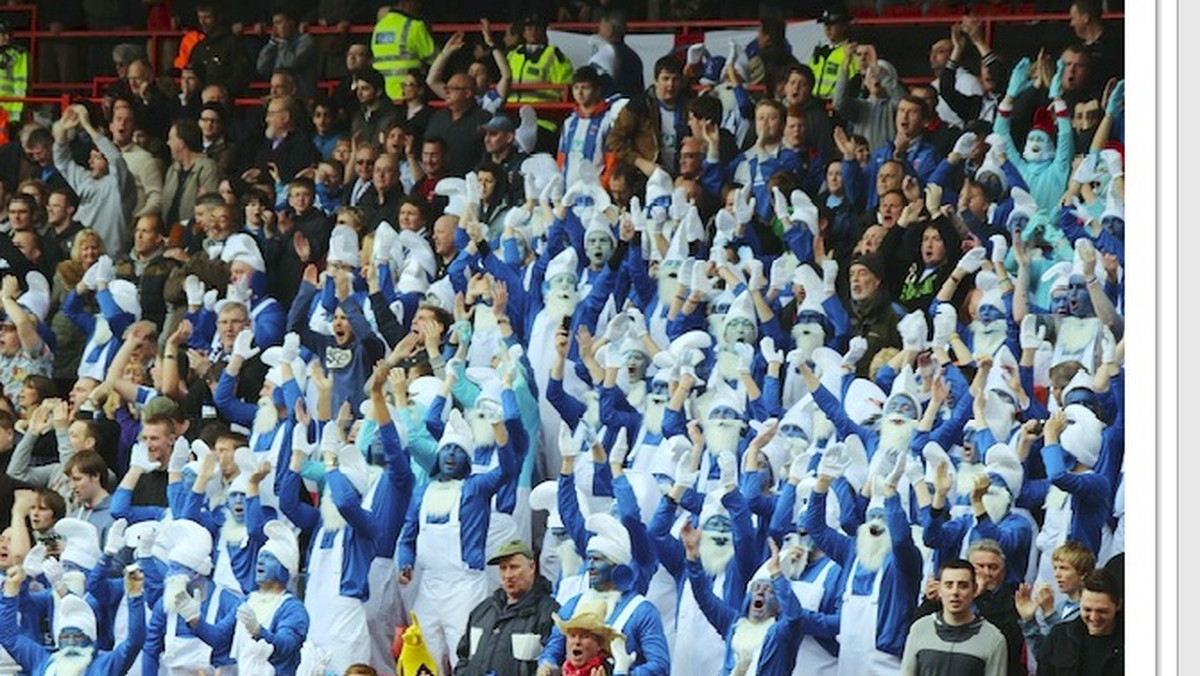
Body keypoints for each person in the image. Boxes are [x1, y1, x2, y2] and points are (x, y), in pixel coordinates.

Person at [456, 539, 559, 676]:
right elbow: (463, 656)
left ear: (532, 567)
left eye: (514, 567)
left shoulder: (550, 614)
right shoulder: (482, 611)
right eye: (503, 568)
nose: (508, 575)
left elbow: (557, 662)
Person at [52, 105, 136, 259]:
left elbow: (116, 159)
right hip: (81, 256)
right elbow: (62, 162)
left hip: (110, 258)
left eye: (96, 158)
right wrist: (63, 131)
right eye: (90, 157)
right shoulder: (87, 180)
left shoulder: (119, 185)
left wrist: (88, 127)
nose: (90, 161)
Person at [900, 558, 1009, 676]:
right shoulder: (920, 629)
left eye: (963, 586)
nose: (955, 592)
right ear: (940, 589)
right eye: (949, 585)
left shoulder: (993, 639)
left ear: (975, 589)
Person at [609, 56, 688, 177]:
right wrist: (640, 162)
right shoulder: (638, 106)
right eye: (665, 79)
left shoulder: (689, 106)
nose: (670, 85)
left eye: (675, 79)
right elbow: (614, 140)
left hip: (681, 175)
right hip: (645, 176)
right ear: (656, 80)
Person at [1037, 568, 1123, 676]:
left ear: (1118, 605)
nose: (1094, 617)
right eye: (1087, 609)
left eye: (1102, 611)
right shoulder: (1059, 637)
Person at [421, 73, 492, 177]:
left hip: (469, 181)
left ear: (468, 93)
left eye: (452, 88)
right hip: (436, 181)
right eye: (446, 87)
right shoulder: (437, 117)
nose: (446, 91)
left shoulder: (484, 119)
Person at [371, 0, 436, 101]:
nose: (419, 6)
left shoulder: (379, 27)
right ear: (404, 3)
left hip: (382, 94)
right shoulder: (415, 26)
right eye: (415, 3)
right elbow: (434, 59)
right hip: (409, 92)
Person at [507, 15, 574, 104]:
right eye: (529, 28)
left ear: (544, 32)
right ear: (523, 33)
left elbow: (566, 83)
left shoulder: (554, 55)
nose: (533, 32)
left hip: (542, 109)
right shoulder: (512, 54)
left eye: (537, 29)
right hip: (511, 107)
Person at [256, 10, 319, 100]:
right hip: (278, 97)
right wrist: (272, 44)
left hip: (301, 98)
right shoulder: (276, 44)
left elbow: (290, 63)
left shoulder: (306, 41)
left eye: (279, 23)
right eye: (274, 23)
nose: (275, 27)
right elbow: (261, 67)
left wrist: (283, 42)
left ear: (291, 23)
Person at [810, 6, 856, 101]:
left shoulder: (851, 52)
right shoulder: (819, 51)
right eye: (825, 24)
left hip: (836, 105)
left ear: (843, 27)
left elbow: (852, 83)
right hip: (814, 103)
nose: (827, 28)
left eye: (832, 24)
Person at [0, 21, 28, 122]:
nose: (7, 37)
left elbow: (20, 84)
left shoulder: (18, 54)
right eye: (3, 34)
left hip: (10, 109)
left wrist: (16, 114)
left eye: (9, 34)